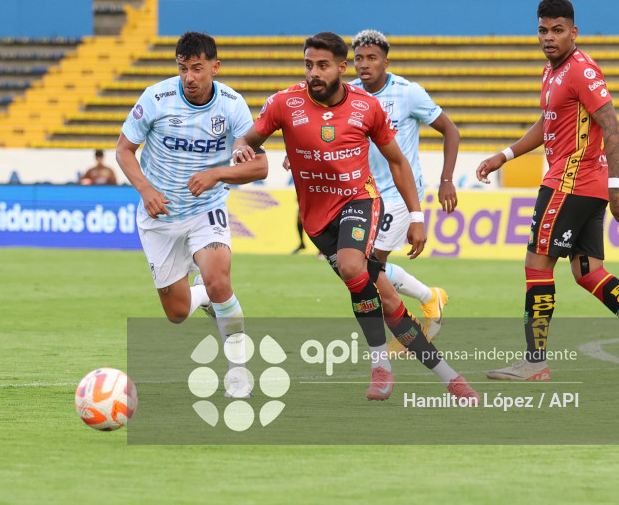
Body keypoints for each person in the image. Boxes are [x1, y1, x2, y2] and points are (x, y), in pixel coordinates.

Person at [233, 31, 478, 402]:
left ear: (340, 68)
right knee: (387, 299)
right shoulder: (285, 103)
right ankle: (451, 379)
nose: (313, 73)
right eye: (308, 65)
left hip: (359, 201)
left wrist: (416, 216)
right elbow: (248, 139)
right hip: (316, 220)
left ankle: (380, 365)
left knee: (352, 267)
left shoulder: (366, 107)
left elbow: (397, 161)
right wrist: (241, 152)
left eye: (322, 66)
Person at [476, 0, 619, 382]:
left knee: (536, 265)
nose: (549, 38)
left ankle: (534, 363)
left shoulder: (580, 71)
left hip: (568, 184)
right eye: (543, 30)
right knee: (588, 271)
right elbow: (548, 122)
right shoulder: (551, 72)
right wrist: (504, 155)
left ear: (574, 32)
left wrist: (617, 188)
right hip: (584, 186)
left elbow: (613, 126)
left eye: (557, 31)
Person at [115, 31, 268, 397]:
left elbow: (260, 167)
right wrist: (146, 189)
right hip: (159, 217)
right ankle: (203, 297)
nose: (190, 78)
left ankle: (238, 372)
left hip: (206, 209)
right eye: (183, 69)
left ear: (215, 67)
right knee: (178, 312)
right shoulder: (156, 98)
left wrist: (219, 172)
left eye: (198, 68)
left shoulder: (231, 105)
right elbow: (123, 150)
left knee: (219, 280)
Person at [349, 29, 459, 355]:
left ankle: (405, 327)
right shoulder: (349, 94)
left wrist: (447, 180)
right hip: (365, 195)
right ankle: (429, 298)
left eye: (372, 58)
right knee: (365, 268)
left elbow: (450, 130)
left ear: (386, 61)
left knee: (366, 268)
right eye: (358, 58)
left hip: (399, 194)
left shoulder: (408, 93)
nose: (364, 64)